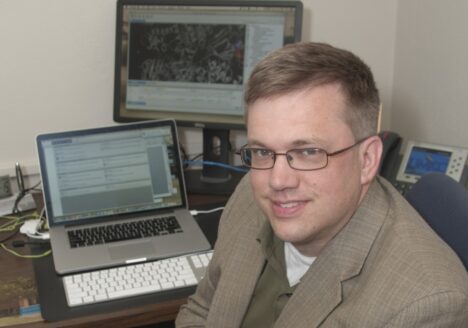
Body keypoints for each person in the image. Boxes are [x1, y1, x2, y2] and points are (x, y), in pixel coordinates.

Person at [175, 42, 468, 327]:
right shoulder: (250, 195)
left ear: (367, 159)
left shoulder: (424, 307)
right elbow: (203, 311)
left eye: (308, 152)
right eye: (263, 151)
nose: (277, 181)